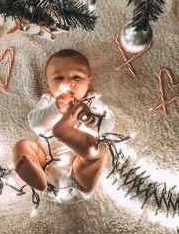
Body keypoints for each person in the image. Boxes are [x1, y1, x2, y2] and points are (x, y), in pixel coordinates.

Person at [12, 49, 115, 203]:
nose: (67, 83)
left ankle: (66, 132)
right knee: (22, 145)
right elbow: (35, 124)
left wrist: (89, 118)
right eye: (59, 77)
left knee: (98, 151)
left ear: (89, 81)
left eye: (77, 77)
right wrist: (56, 108)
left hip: (78, 174)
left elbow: (108, 124)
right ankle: (32, 171)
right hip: (45, 169)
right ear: (47, 84)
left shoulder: (91, 101)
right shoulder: (48, 101)